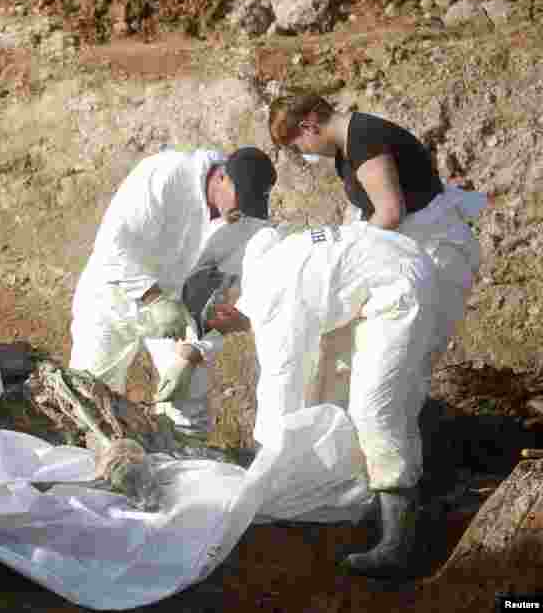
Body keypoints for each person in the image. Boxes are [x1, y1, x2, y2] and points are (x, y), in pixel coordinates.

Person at [214, 220, 438, 579]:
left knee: (375, 409)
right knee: (338, 391)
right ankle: (363, 498)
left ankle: (397, 542)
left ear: (222, 312)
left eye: (216, 329)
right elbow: (266, 236)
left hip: (397, 283)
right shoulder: (260, 268)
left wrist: (263, 470)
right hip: (382, 266)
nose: (223, 336)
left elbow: (280, 391)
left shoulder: (270, 307)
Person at [266, 95, 485, 381]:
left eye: (298, 146)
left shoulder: (364, 139)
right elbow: (369, 209)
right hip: (410, 250)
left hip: (435, 252)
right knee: (390, 358)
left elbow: (390, 212)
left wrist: (346, 255)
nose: (305, 153)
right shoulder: (347, 149)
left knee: (412, 353)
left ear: (309, 127)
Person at [68, 147, 277, 435]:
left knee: (187, 397)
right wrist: (153, 297)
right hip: (112, 296)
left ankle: (182, 458)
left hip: (175, 311)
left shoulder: (243, 224)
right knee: (90, 400)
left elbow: (219, 294)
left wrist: (190, 354)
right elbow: (113, 246)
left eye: (251, 206)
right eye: (241, 200)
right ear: (222, 177)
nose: (242, 212)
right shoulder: (166, 175)